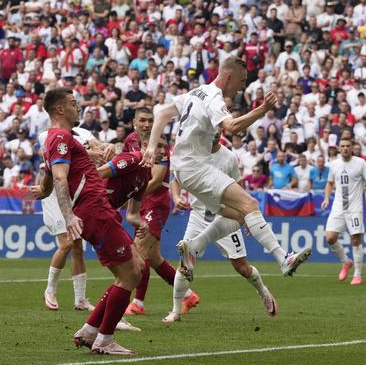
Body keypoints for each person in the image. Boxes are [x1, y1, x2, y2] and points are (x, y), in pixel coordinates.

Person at [142, 55, 311, 280]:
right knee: (250, 203)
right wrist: (263, 109)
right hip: (196, 168)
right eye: (241, 82)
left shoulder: (197, 91)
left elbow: (162, 114)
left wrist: (152, 147)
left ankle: (194, 246)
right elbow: (230, 126)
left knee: (239, 215)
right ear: (229, 76)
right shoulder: (214, 97)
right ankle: (283, 258)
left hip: (183, 169)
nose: (242, 88)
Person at [32, 87, 142, 356]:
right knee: (129, 274)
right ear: (60, 109)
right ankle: (104, 340)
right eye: (72, 103)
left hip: (97, 208)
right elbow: (59, 177)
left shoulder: (61, 138)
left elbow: (49, 178)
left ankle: (91, 330)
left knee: (135, 267)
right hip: (94, 210)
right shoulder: (59, 136)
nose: (77, 106)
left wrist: (43, 192)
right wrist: (68, 216)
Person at [166, 131, 277, 323]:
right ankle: (175, 311)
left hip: (224, 217)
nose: (214, 135)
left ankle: (263, 291)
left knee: (242, 267)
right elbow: (175, 180)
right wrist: (176, 198)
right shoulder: (194, 152)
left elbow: (238, 188)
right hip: (199, 216)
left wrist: (247, 216)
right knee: (185, 263)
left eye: (217, 131)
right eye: (211, 131)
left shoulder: (229, 157)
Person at [120, 107, 189, 316]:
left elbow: (158, 179)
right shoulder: (130, 141)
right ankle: (187, 294)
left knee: (140, 252)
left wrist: (132, 194)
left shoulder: (158, 143)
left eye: (151, 120)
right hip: (140, 203)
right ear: (134, 122)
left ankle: (138, 303)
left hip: (156, 202)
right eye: (142, 120)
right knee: (154, 257)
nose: (147, 124)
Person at [37, 126, 110, 312]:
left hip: (72, 191)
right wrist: (88, 153)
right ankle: (50, 290)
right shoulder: (48, 134)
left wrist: (109, 146)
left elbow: (100, 148)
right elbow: (45, 155)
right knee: (67, 243)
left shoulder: (84, 132)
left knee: (78, 245)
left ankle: (80, 300)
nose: (76, 109)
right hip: (55, 192)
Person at [320, 137, 366, 285]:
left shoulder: (360, 163)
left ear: (352, 148)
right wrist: (327, 198)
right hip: (338, 207)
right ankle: (346, 261)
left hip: (355, 208)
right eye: (343, 146)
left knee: (356, 239)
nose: (345, 148)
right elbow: (329, 183)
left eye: (348, 146)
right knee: (330, 237)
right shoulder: (334, 164)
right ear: (339, 148)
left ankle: (357, 275)